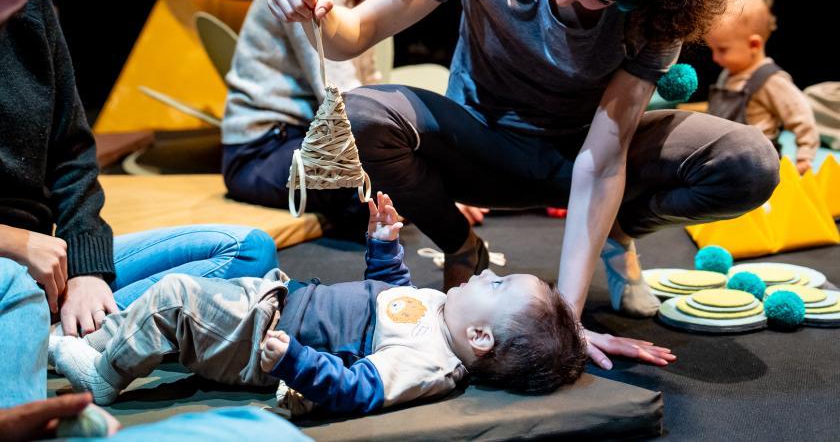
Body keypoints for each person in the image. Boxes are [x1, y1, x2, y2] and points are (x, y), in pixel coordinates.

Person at [266, 0, 780, 368]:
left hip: (579, 157)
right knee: (359, 116)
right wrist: (318, 12)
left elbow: (603, 161)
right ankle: (461, 244)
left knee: (746, 161)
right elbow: (354, 34)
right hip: (481, 147)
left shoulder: (655, 10)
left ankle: (616, 230)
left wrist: (567, 320)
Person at [0, 0, 279, 344]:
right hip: (16, 268)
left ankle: (70, 337)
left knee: (248, 254)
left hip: (47, 262)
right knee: (18, 292)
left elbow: (74, 153)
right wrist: (11, 243)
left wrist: (86, 268)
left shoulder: (33, 12)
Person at [49, 192, 588, 415]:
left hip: (263, 339)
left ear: (481, 339)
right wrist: (383, 246)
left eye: (496, 287)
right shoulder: (440, 312)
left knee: (175, 301)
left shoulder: (430, 362)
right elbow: (388, 294)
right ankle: (92, 340)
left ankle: (102, 373)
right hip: (274, 300)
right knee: (176, 315)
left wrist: (294, 361)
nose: (487, 273)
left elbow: (358, 390)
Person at [222, 0, 488, 230]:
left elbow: (371, 87)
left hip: (299, 140)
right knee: (368, 184)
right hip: (263, 153)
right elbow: (345, 103)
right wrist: (429, 193)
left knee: (397, 164)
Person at [705, 0, 818, 173]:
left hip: (757, 165)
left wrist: (804, 157)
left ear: (754, 44)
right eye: (712, 49)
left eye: (722, 50)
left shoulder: (770, 80)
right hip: (725, 158)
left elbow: (802, 116)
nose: (715, 58)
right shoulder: (728, 74)